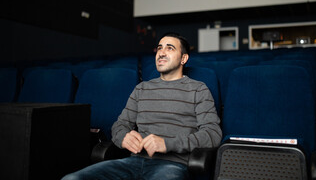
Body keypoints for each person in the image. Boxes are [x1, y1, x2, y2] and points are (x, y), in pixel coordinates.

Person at [62, 32, 222, 180]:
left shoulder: (198, 89)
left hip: (173, 165)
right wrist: (123, 137)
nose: (162, 52)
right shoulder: (142, 88)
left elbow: (212, 134)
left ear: (183, 58)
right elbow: (120, 125)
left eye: (170, 48)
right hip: (133, 162)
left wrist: (166, 144)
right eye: (159, 48)